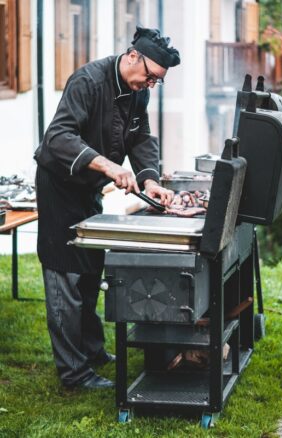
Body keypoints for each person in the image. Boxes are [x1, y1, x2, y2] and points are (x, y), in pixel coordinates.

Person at [34, 26, 180, 389]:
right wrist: (110, 166)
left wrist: (150, 180)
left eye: (156, 82)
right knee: (64, 277)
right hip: (60, 188)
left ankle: (93, 351)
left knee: (88, 271)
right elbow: (59, 137)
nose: (149, 85)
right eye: (149, 76)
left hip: (89, 191)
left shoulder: (136, 94)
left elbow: (141, 137)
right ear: (133, 56)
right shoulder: (87, 81)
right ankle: (74, 374)